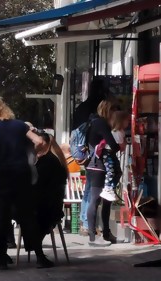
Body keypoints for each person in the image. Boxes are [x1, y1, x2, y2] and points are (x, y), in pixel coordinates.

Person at [0, 94, 53, 269]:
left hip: (0, 176)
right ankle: (40, 257)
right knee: (28, 216)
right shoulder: (19, 125)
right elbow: (39, 141)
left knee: (1, 217)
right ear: (4, 107)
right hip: (22, 175)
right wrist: (33, 154)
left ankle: (3, 258)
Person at [75, 79, 107, 238]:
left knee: (89, 190)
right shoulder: (97, 107)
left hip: (84, 152)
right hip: (94, 153)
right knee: (93, 192)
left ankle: (85, 222)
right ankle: (88, 224)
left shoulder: (82, 107)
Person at [86, 100, 120, 246]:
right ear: (109, 111)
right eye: (115, 110)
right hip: (98, 167)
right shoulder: (101, 123)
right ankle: (93, 237)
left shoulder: (94, 123)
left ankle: (105, 233)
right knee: (96, 200)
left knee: (105, 199)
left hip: (93, 166)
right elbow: (113, 144)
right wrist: (116, 147)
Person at [34, 132, 68, 240]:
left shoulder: (48, 162)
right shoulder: (56, 159)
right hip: (53, 206)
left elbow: (37, 184)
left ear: (43, 143)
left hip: (46, 208)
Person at [93, 110, 129, 201]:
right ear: (121, 121)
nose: (128, 123)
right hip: (107, 153)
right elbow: (122, 146)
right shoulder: (118, 132)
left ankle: (111, 188)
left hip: (111, 153)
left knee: (117, 171)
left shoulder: (119, 132)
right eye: (127, 120)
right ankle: (107, 189)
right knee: (111, 171)